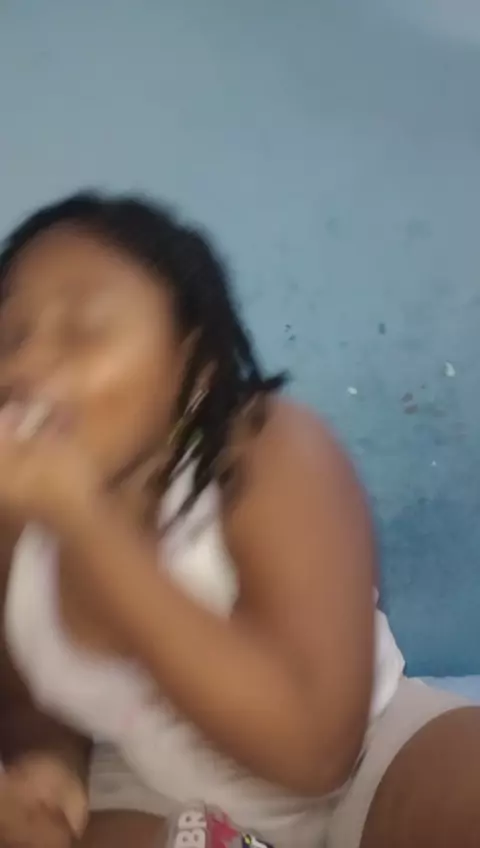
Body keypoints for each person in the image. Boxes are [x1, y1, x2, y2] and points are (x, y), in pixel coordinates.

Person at [0, 193, 478, 848]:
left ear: (194, 368)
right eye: (8, 337)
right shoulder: (16, 527)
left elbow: (317, 754)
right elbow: (28, 699)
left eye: (83, 330)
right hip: (155, 786)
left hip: (374, 757)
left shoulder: (269, 450)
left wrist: (85, 524)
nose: (26, 366)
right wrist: (49, 767)